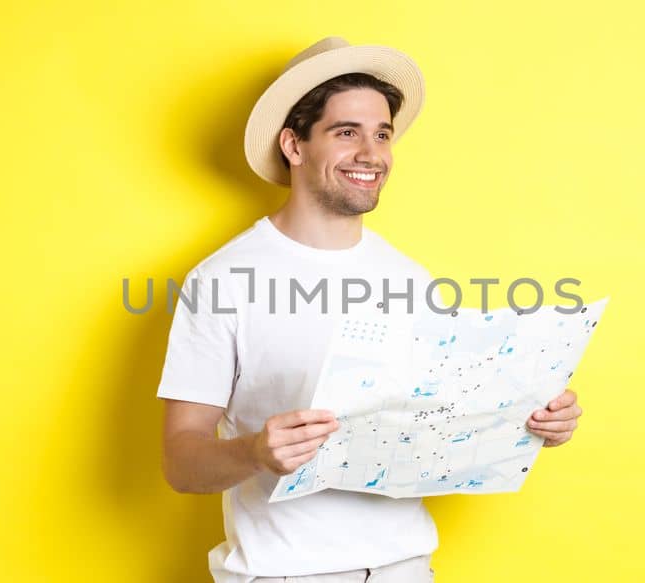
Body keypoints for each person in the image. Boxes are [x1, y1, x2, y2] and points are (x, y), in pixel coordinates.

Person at [155, 37, 585, 583]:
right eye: (346, 133)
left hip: (406, 570)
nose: (371, 153)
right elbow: (180, 460)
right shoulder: (220, 281)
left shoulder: (411, 278)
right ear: (294, 145)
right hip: (286, 575)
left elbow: (444, 426)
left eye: (382, 134)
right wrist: (257, 452)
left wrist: (529, 418)